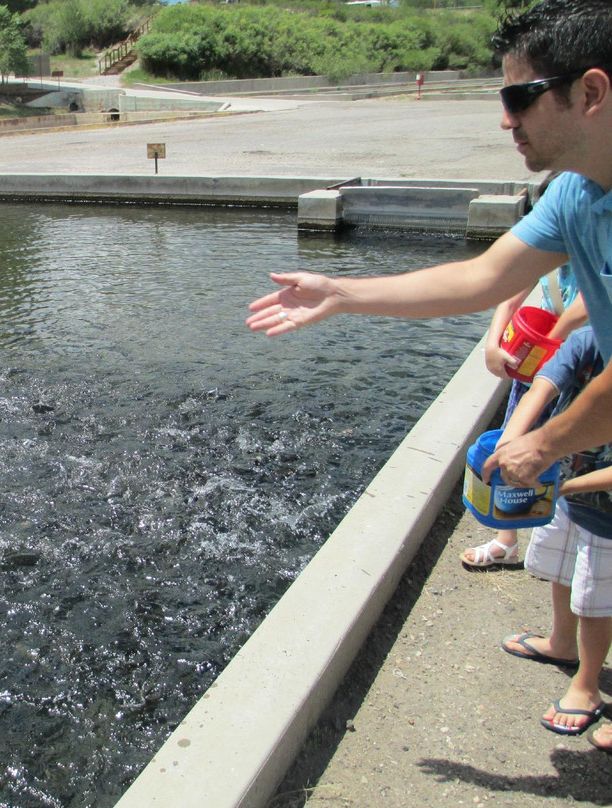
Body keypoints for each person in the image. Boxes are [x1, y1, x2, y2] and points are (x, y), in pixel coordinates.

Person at [245, 0, 612, 749]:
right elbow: (481, 280)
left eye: (518, 97)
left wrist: (542, 445)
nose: (505, 121)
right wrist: (343, 293)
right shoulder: (578, 190)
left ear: (591, 92)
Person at [490, 326, 612, 739]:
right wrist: (509, 443)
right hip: (564, 486)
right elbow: (543, 384)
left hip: (605, 511)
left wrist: (559, 486)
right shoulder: (591, 338)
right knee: (562, 569)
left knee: (597, 598)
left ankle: (587, 685)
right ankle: (562, 642)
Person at [461, 276, 587, 567]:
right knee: (512, 437)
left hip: (582, 355)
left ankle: (580, 532)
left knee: (576, 447)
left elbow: (590, 302)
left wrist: (552, 341)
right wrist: (493, 343)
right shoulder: (552, 237)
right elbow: (514, 285)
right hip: (542, 355)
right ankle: (507, 540)